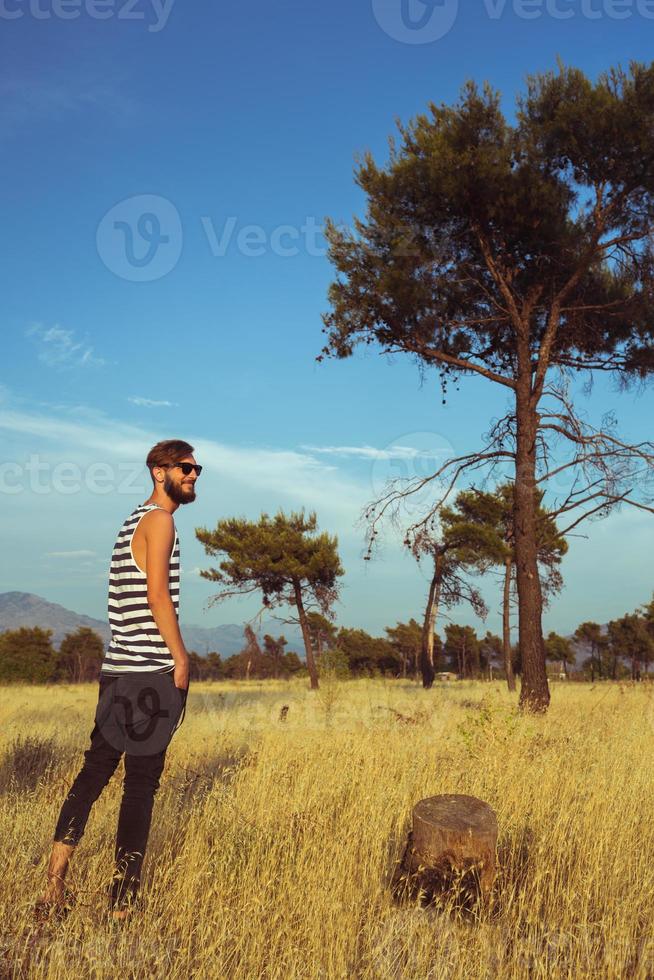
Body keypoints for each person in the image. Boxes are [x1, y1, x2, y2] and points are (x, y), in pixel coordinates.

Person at [35, 439, 201, 923]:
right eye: (185, 468)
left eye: (196, 469)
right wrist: (180, 655)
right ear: (158, 471)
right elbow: (156, 595)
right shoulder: (161, 521)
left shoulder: (132, 520)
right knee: (140, 786)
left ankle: (54, 887)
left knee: (92, 775)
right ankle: (124, 906)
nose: (193, 476)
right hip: (149, 673)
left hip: (116, 672)